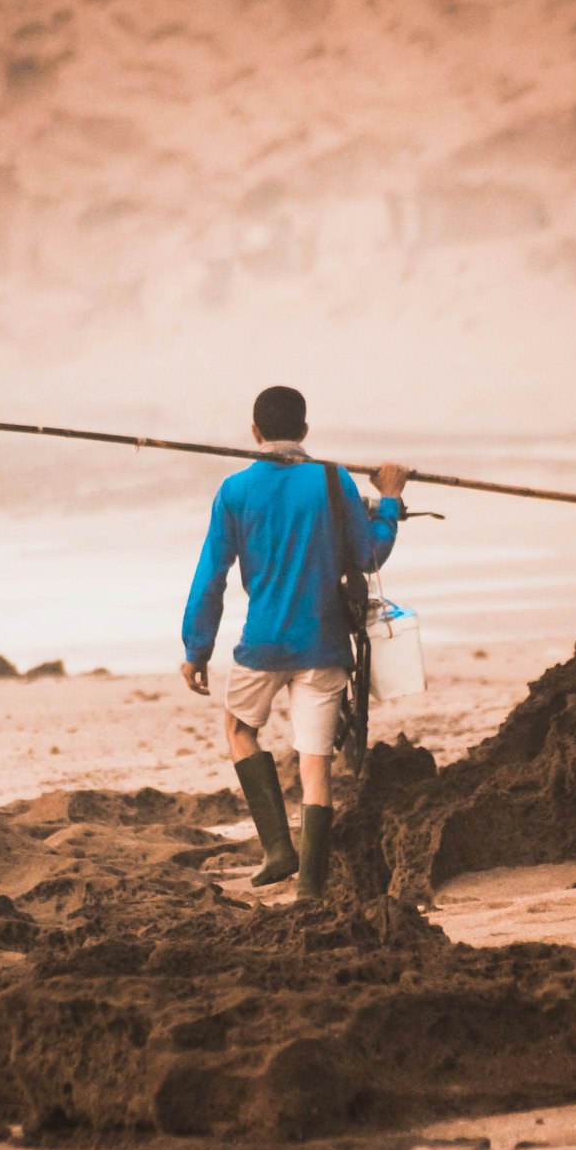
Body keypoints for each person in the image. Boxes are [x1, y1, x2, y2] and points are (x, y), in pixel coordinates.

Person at [181, 385, 407, 901]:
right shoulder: (332, 480)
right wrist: (389, 501)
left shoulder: (234, 490)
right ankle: (310, 887)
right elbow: (369, 554)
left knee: (239, 730)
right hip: (324, 642)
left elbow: (210, 576)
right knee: (315, 762)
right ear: (304, 432)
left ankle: (278, 848)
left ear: (255, 432)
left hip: (262, 643)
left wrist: (197, 648)